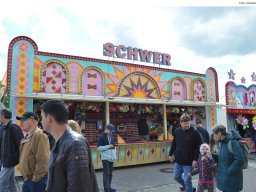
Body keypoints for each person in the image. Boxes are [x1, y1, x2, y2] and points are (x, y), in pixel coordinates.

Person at [41, 99, 99, 192]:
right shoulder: (59, 141)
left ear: (50, 118)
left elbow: (79, 188)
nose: (41, 121)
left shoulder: (75, 143)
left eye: (42, 117)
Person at [16, 111, 50, 192]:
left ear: (32, 120)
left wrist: (35, 179)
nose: (21, 122)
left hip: (37, 181)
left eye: (23, 120)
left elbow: (43, 160)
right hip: (28, 180)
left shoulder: (39, 134)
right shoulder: (28, 135)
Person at [169, 114, 203, 192]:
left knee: (187, 180)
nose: (187, 125)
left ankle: (189, 189)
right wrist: (170, 154)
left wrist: (195, 159)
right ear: (180, 123)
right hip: (178, 161)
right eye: (185, 124)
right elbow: (174, 143)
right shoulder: (177, 131)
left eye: (188, 123)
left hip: (189, 162)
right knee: (176, 177)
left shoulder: (195, 133)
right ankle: (190, 188)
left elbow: (200, 147)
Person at [212, 124, 244, 192]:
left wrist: (229, 171)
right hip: (223, 179)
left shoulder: (232, 142)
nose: (213, 136)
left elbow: (240, 159)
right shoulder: (221, 143)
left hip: (232, 179)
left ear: (220, 134)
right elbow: (223, 158)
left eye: (214, 134)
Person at [0, 108, 24, 192]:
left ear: (3, 116)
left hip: (9, 160)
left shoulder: (13, 127)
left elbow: (21, 143)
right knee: (11, 182)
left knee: (1, 183)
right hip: (5, 159)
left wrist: (16, 157)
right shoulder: (4, 127)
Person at [97, 124, 117, 192]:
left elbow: (114, 146)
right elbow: (99, 148)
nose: (111, 132)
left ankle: (109, 187)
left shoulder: (111, 136)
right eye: (110, 131)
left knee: (110, 174)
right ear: (107, 129)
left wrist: (114, 153)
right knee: (106, 174)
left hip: (111, 158)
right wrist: (108, 146)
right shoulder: (101, 137)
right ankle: (106, 189)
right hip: (105, 158)